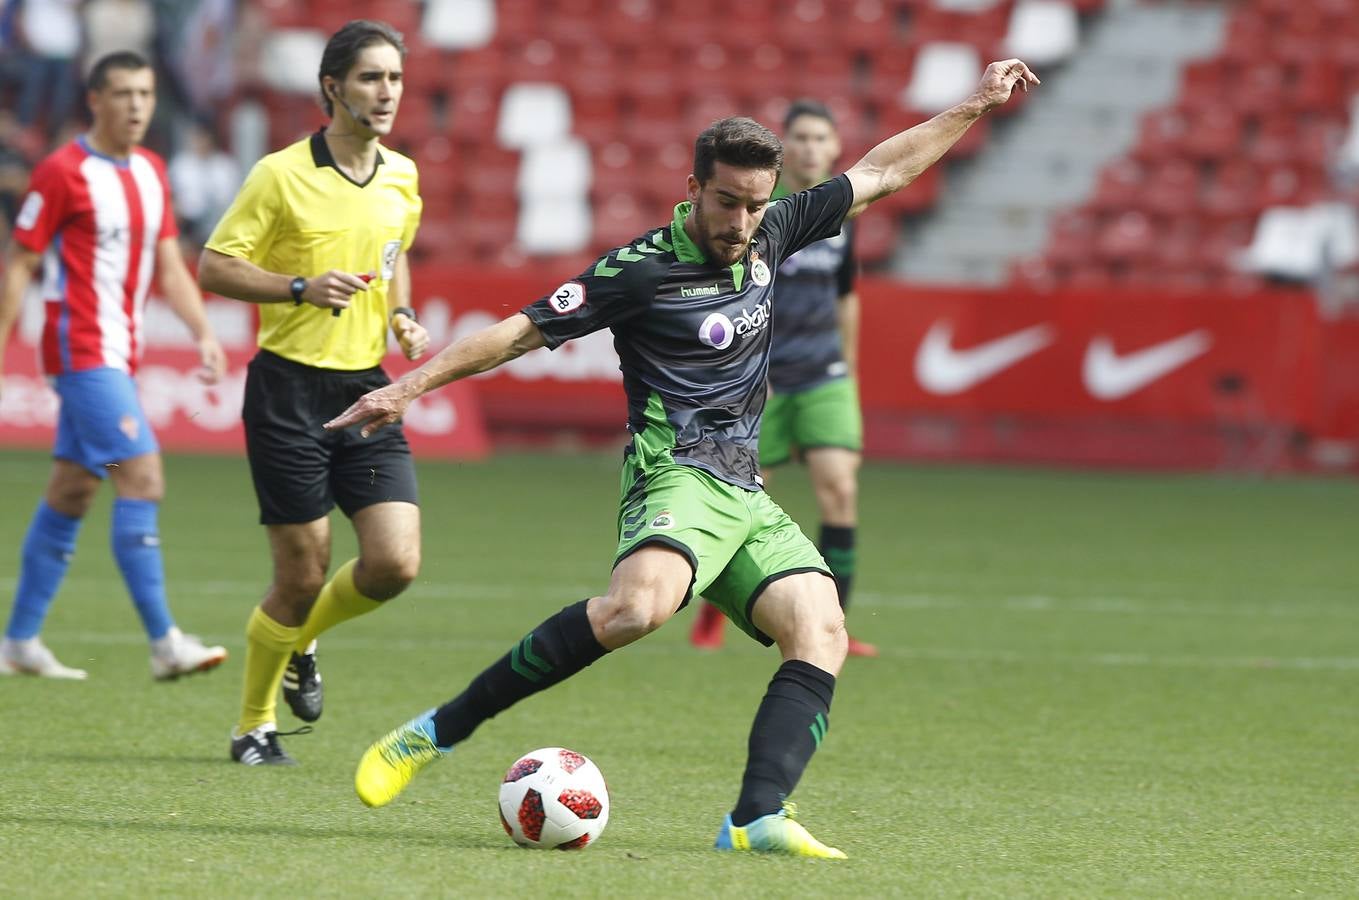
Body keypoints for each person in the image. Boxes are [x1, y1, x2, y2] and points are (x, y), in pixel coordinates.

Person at [330, 59, 1039, 856]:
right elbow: (519, 333)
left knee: (821, 629)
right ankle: (435, 732)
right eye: (727, 202)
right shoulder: (638, 272)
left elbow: (879, 171)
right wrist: (406, 389)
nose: (741, 222)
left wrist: (975, 105)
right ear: (693, 187)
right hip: (675, 471)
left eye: (754, 205)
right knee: (636, 609)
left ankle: (755, 817)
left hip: (745, 489)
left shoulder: (774, 228)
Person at [197, 19, 430, 766]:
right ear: (332, 88)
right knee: (299, 574)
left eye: (393, 77)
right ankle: (253, 728)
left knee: (394, 563)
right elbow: (214, 266)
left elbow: (393, 259)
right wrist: (297, 286)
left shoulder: (402, 176)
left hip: (366, 388)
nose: (386, 91)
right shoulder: (279, 174)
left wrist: (400, 315)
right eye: (370, 77)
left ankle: (302, 639)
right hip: (287, 389)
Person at [0, 51, 229, 680]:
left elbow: (169, 265)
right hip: (80, 351)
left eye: (146, 94)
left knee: (72, 491)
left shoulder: (153, 170)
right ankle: (165, 644)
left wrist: (204, 330)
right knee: (143, 475)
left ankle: (18, 642)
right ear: (95, 100)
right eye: (123, 93)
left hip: (121, 354)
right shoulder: (59, 172)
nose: (136, 105)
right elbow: (20, 263)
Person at [691, 99, 877, 657]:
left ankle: (835, 623)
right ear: (785, 148)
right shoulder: (762, 217)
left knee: (840, 489)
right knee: (740, 498)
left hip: (826, 375)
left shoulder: (843, 221)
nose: (810, 147)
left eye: (821, 138)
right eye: (800, 137)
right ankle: (712, 615)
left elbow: (847, 298)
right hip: (764, 380)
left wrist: (850, 372)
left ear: (834, 148)